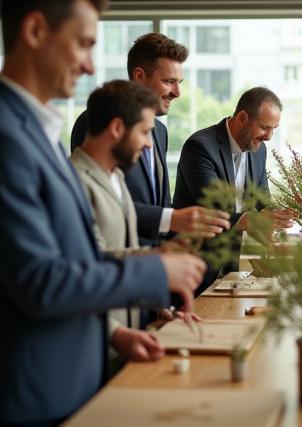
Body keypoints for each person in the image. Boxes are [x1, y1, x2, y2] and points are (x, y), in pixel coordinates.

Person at [0, 1, 206, 425]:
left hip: (77, 382)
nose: (92, 67)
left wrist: (111, 332)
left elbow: (75, 260)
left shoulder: (40, 132)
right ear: (36, 31)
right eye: (84, 44)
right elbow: (39, 281)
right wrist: (156, 273)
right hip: (36, 398)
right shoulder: (8, 134)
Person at [71, 80, 230, 363]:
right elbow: (83, 274)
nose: (148, 143)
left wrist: (158, 308)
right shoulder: (74, 183)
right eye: (144, 132)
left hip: (130, 340)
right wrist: (160, 267)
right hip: (95, 350)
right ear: (118, 128)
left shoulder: (116, 178)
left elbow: (124, 255)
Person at [70, 32, 228, 246]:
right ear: (139, 76)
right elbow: (102, 200)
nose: (177, 92)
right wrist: (171, 220)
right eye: (169, 81)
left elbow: (160, 202)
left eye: (179, 82)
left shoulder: (160, 132)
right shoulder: (96, 121)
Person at [173, 86, 296, 283]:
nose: (269, 136)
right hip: (191, 269)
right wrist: (259, 220)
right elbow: (215, 212)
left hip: (228, 271)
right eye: (264, 127)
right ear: (242, 118)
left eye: (274, 129)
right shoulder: (200, 147)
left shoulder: (258, 150)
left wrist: (279, 218)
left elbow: (262, 202)